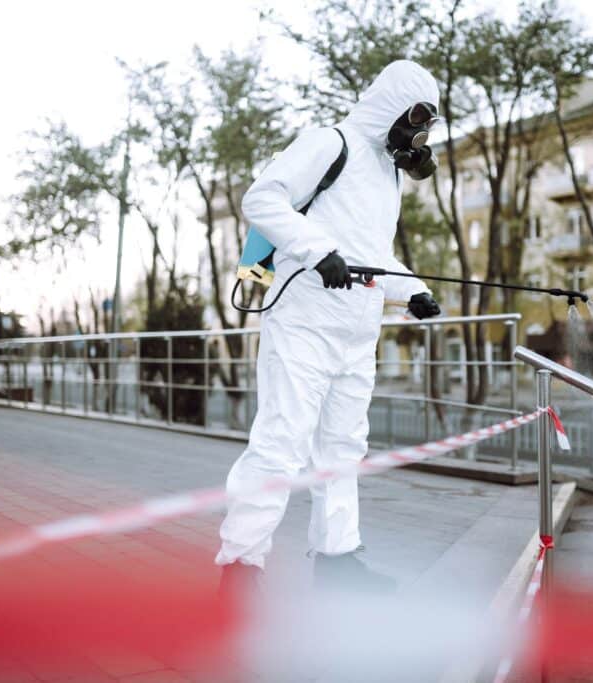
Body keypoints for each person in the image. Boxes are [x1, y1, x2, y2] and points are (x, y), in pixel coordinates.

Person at [216, 59, 443, 594]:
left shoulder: (389, 176)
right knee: (280, 442)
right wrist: (317, 251)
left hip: (358, 333)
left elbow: (371, 255)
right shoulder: (329, 141)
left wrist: (411, 291)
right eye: (415, 118)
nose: (418, 134)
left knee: (343, 448)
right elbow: (261, 198)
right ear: (391, 107)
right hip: (304, 321)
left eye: (426, 125)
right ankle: (241, 567)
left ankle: (337, 558)